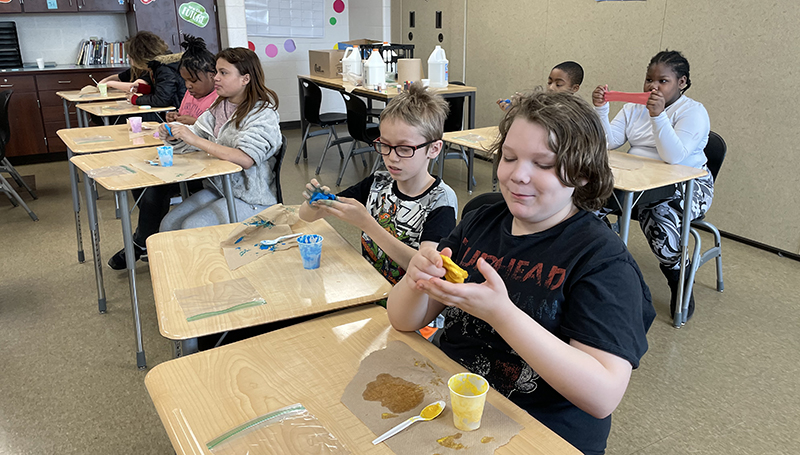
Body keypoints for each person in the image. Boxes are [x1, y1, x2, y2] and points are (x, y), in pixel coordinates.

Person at [387, 90, 655, 455]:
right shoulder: (480, 222)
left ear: (582, 173)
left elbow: (603, 395)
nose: (518, 176)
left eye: (542, 164)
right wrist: (416, 279)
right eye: (509, 158)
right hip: (455, 407)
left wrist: (502, 314)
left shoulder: (602, 261)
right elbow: (404, 320)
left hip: (539, 431)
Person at [299, 83, 458, 287]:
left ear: (434, 149)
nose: (391, 158)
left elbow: (427, 268)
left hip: (411, 309)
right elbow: (306, 217)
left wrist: (367, 224)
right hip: (371, 291)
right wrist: (314, 204)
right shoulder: (378, 182)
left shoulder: (441, 200)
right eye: (385, 145)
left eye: (404, 148)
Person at [592, 50, 712, 320]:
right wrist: (601, 109)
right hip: (637, 181)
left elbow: (675, 157)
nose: (652, 87)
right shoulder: (633, 107)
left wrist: (658, 116)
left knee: (658, 216)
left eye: (663, 81)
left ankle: (678, 277)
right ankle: (599, 261)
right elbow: (607, 142)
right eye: (649, 79)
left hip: (687, 184)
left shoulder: (693, 112)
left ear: (681, 83)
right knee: (585, 205)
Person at [106, 35, 217, 269]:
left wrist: (192, 124)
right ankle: (145, 239)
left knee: (155, 186)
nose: (186, 86)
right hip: (185, 153)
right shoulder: (192, 91)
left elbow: (216, 133)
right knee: (141, 178)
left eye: (191, 81)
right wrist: (176, 119)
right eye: (185, 81)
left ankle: (140, 242)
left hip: (203, 163)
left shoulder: (217, 98)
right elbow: (184, 116)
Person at [158, 47, 282, 231]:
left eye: (223, 73)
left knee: (192, 226)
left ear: (245, 79)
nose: (216, 77)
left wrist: (194, 139)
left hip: (252, 198)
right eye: (216, 71)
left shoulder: (262, 113)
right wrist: (175, 135)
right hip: (220, 188)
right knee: (169, 223)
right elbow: (196, 134)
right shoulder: (219, 107)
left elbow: (245, 158)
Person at [98, 31, 185, 109]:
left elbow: (162, 99)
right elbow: (163, 91)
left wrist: (135, 99)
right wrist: (143, 89)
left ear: (140, 55)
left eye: (130, 54)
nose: (128, 56)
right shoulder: (156, 67)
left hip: (178, 112)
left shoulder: (164, 69)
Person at [166, 34, 219, 125]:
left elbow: (220, 134)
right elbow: (184, 114)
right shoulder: (190, 93)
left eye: (193, 80)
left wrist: (196, 123)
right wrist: (175, 116)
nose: (188, 86)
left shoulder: (219, 99)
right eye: (185, 80)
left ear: (212, 76)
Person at [497, 61, 584, 111]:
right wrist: (519, 108)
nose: (551, 88)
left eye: (558, 84)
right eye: (549, 82)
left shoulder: (573, 113)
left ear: (574, 88)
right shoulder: (543, 103)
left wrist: (518, 114)